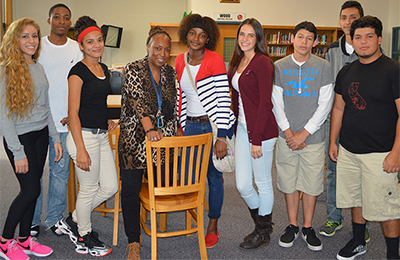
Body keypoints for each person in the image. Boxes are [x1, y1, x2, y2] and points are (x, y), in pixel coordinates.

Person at [330, 16, 400, 260]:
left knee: (386, 207)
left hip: (381, 154)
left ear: (379, 39)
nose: (363, 42)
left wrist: (396, 152)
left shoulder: (393, 70)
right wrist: (333, 141)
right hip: (349, 150)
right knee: (355, 198)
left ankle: (393, 254)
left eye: (369, 36)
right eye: (357, 37)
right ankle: (359, 242)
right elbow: (338, 108)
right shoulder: (346, 71)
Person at [56, 15, 118, 257]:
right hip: (83, 138)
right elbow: (73, 111)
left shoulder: (102, 68)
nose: (96, 45)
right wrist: (80, 149)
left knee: (110, 186)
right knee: (89, 189)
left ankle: (72, 221)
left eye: (99, 40)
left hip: (101, 135)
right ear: (81, 46)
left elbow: (97, 101)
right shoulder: (77, 72)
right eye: (90, 42)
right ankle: (83, 236)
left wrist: (107, 119)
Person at [0, 18, 60, 260]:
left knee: (33, 191)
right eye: (25, 36)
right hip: (20, 138)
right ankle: (5, 241)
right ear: (15, 40)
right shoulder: (6, 69)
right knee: (30, 189)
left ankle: (24, 239)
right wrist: (17, 152)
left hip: (40, 136)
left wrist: (54, 137)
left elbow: (46, 108)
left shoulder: (38, 66)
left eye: (35, 35)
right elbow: (4, 116)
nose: (31, 40)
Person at [272, 21, 334, 252]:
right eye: (300, 37)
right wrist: (289, 133)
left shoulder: (323, 66)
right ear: (292, 39)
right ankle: (292, 225)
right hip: (286, 137)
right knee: (288, 182)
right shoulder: (278, 66)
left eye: (309, 38)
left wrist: (304, 134)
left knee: (311, 183)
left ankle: (308, 227)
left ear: (316, 42)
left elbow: (325, 104)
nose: (304, 42)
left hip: (313, 139)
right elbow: (276, 103)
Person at [175, 13, 235, 248]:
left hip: (211, 125)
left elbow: (223, 99)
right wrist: (181, 125)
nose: (196, 38)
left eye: (202, 35)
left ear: (208, 38)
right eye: (192, 33)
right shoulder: (180, 60)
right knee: (188, 176)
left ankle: (212, 224)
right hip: (190, 126)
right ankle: (194, 217)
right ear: (186, 34)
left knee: (213, 177)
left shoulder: (215, 60)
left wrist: (221, 135)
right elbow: (181, 96)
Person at [118, 26, 176, 260]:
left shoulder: (170, 72)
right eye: (157, 48)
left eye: (166, 50)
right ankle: (134, 242)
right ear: (148, 47)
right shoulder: (133, 68)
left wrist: (172, 130)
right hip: (135, 140)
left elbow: (171, 105)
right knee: (131, 191)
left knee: (160, 186)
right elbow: (137, 101)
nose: (162, 53)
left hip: (163, 141)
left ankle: (151, 218)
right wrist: (149, 128)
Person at [31, 3, 83, 238]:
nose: (62, 21)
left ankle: (54, 218)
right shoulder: (37, 46)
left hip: (64, 121)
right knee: (34, 174)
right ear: (49, 20)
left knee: (60, 173)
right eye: (57, 17)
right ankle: (32, 220)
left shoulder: (77, 49)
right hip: (38, 122)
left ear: (70, 23)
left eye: (66, 18)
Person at [319, 1, 370, 241]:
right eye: (344, 17)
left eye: (353, 17)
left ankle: (363, 226)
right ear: (340, 22)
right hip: (335, 123)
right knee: (333, 172)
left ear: (361, 18)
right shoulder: (331, 50)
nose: (348, 21)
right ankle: (333, 217)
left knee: (362, 175)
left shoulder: (368, 48)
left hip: (363, 125)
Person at [227, 18, 278, 250]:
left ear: (258, 38)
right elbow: (236, 100)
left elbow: (266, 104)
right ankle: (263, 225)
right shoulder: (238, 61)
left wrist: (256, 140)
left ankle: (261, 231)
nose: (245, 39)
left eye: (250, 35)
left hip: (262, 132)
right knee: (243, 185)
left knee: (263, 182)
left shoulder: (263, 63)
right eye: (242, 34)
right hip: (242, 128)